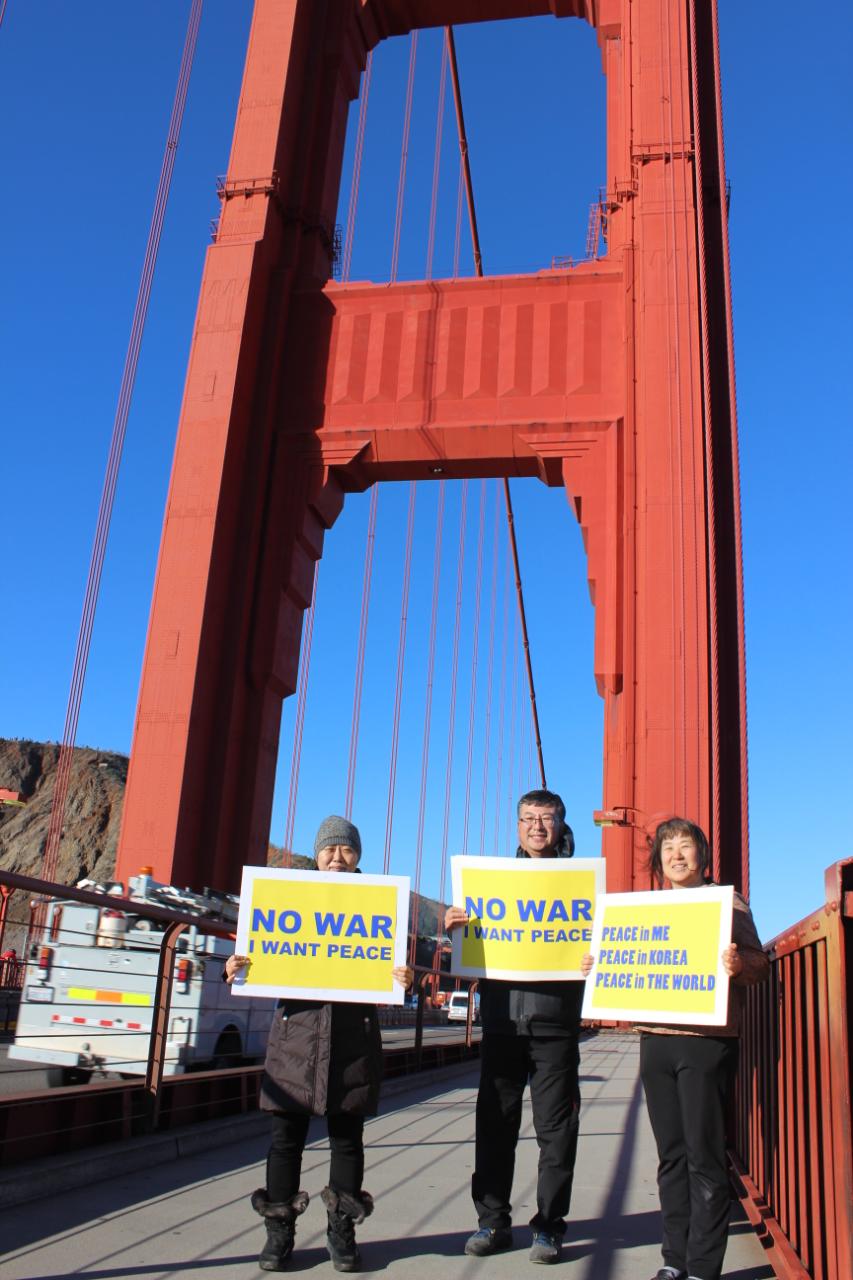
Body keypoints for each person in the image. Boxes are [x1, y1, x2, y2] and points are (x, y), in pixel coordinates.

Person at [581, 817, 769, 1280]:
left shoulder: (728, 904)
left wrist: (737, 961)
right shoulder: (647, 910)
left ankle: (703, 1268)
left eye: (686, 847)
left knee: (704, 1155)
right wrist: (599, 962)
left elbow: (760, 965)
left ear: (702, 856)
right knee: (670, 1156)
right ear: (659, 860)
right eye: (668, 849)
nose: (677, 856)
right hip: (655, 1041)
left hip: (705, 1044)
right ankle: (674, 1261)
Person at [225, 815, 413, 1274]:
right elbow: (258, 963)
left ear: (357, 857)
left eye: (346, 849)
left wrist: (404, 980)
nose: (336, 856)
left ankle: (341, 1233)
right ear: (317, 854)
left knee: (347, 1139)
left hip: (353, 1038)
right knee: (284, 1139)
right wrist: (236, 969)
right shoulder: (289, 901)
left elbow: (393, 976)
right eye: (328, 848)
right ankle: (279, 1234)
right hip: (297, 1038)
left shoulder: (380, 908)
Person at [444, 788, 582, 1266]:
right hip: (502, 1023)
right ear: (517, 826)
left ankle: (549, 1227)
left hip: (555, 1025)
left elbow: (610, 947)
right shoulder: (492, 885)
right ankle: (492, 1222)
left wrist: (598, 953)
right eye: (528, 818)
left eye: (546, 818)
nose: (537, 826)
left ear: (561, 826)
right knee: (494, 1127)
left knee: (556, 1131)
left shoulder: (583, 887)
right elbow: (472, 948)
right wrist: (455, 927)